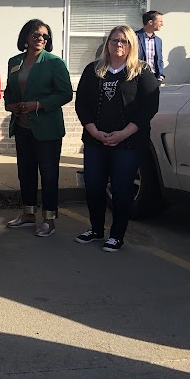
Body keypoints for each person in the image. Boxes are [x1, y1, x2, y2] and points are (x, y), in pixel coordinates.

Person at [74, 25, 159, 252]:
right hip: (95, 140)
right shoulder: (93, 70)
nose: (119, 44)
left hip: (128, 143)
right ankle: (96, 229)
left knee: (122, 190)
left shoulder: (142, 71)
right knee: (94, 187)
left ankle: (117, 235)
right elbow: (81, 104)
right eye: (114, 40)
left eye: (124, 41)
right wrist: (93, 131)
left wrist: (123, 134)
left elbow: (149, 107)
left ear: (131, 45)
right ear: (108, 43)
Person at [4, 19, 73, 237]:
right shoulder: (14, 61)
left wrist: (38, 104)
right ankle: (28, 213)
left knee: (49, 174)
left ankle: (49, 219)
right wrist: (10, 105)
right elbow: (9, 91)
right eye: (36, 35)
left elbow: (65, 94)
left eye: (45, 36)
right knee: (25, 172)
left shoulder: (54, 63)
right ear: (26, 37)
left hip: (47, 128)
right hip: (22, 126)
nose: (41, 39)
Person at [135, 11, 165, 83]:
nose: (162, 24)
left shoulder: (158, 40)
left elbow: (160, 59)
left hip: (154, 77)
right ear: (150, 22)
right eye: (160, 21)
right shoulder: (134, 37)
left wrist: (161, 76)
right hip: (137, 76)